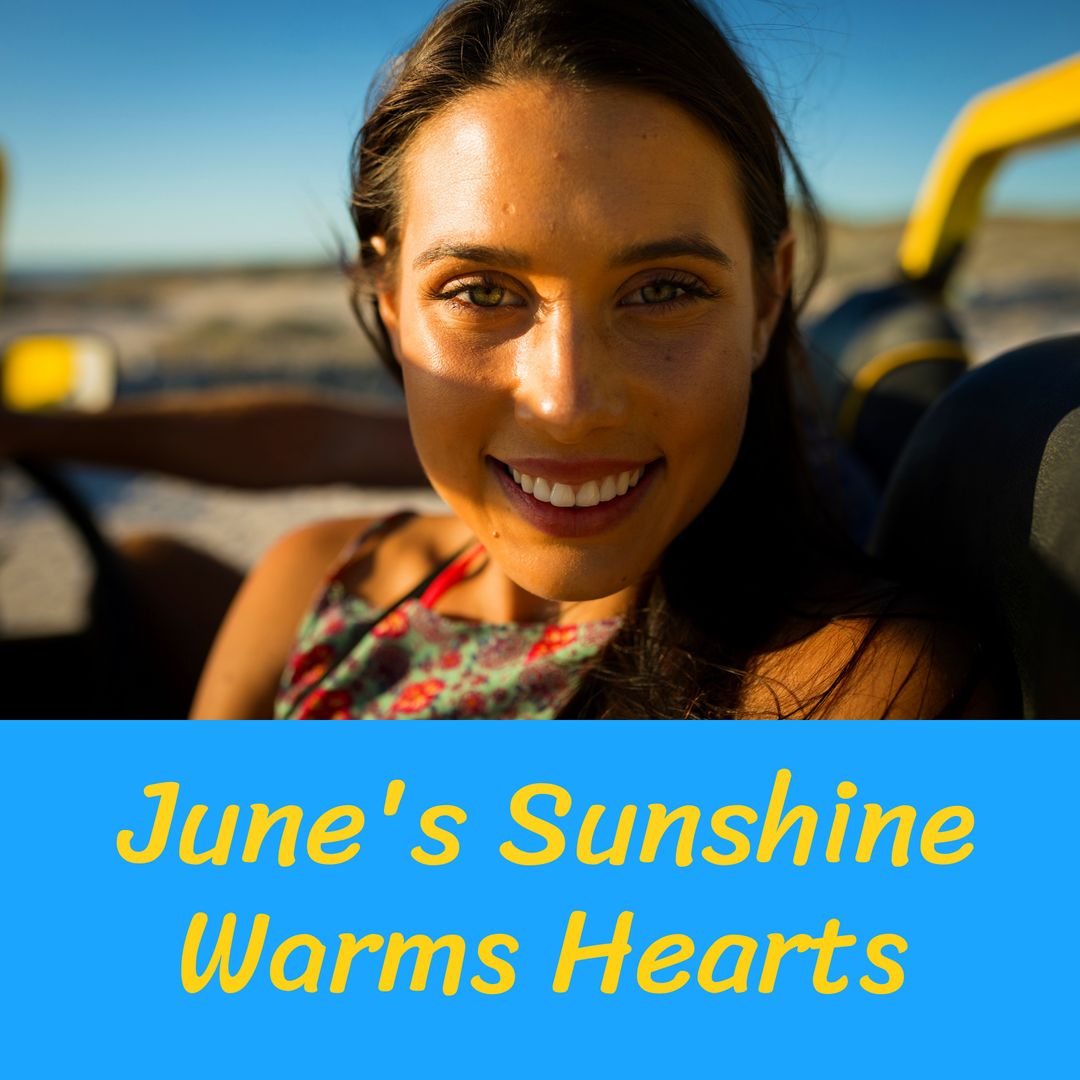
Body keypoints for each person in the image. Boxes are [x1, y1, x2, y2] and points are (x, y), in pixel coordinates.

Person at [192, 0, 1000, 720]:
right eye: (478, 291)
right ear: (392, 302)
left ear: (766, 299)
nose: (569, 400)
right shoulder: (310, 585)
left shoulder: (856, 694)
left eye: (662, 291)